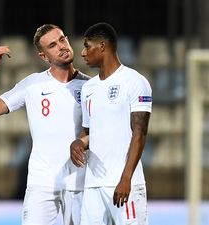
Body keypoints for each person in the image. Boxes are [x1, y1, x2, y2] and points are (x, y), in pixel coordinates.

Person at [0, 24, 90, 225]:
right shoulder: (32, 84)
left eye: (62, 40)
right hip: (41, 182)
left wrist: (84, 140)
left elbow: (100, 131)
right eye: (52, 45)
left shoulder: (90, 86)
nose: (61, 46)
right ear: (44, 57)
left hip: (79, 182)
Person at [70, 22, 152, 225]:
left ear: (103, 46)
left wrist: (126, 179)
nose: (82, 53)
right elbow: (91, 132)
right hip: (93, 186)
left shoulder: (134, 81)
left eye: (87, 46)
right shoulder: (89, 88)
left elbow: (139, 134)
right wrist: (79, 143)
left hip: (124, 184)